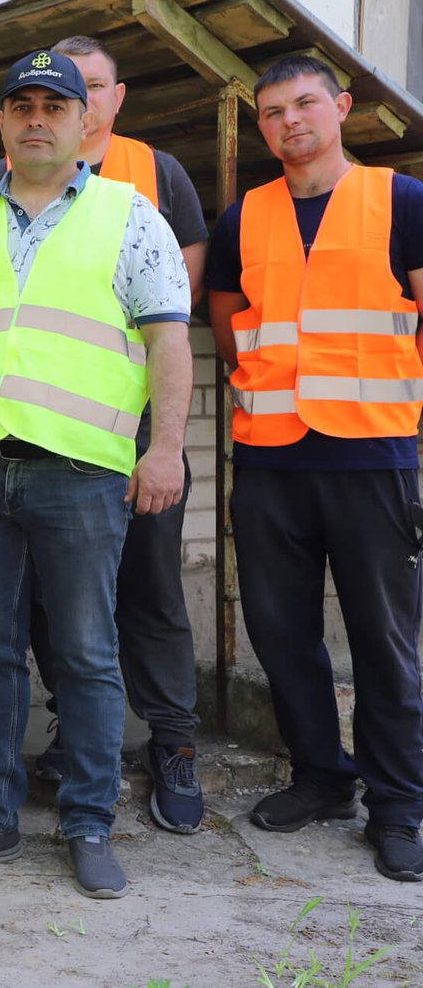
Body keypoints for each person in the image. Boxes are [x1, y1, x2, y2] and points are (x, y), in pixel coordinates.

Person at [0, 50, 192, 899]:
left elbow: (168, 338)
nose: (36, 118)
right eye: (20, 106)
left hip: (82, 472)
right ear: (1, 122)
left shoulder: (129, 214)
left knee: (86, 652)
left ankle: (89, 823)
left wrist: (166, 448)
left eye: (53, 106)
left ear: (83, 120)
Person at [0, 34, 210, 834]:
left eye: (91, 88)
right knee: (59, 605)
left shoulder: (154, 179)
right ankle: (75, 737)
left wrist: (161, 441)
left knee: (151, 589)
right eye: (30, 101)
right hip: (37, 433)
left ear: (107, 98)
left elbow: (173, 306)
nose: (75, 105)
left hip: (133, 425)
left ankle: (173, 742)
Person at [207, 53, 423, 882]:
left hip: (372, 455)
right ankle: (322, 777)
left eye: (303, 104)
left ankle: (399, 806)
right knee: (282, 632)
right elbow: (230, 326)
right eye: (270, 112)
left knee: (384, 639)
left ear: (341, 107)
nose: (288, 121)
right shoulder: (242, 218)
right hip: (270, 455)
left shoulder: (401, 201)